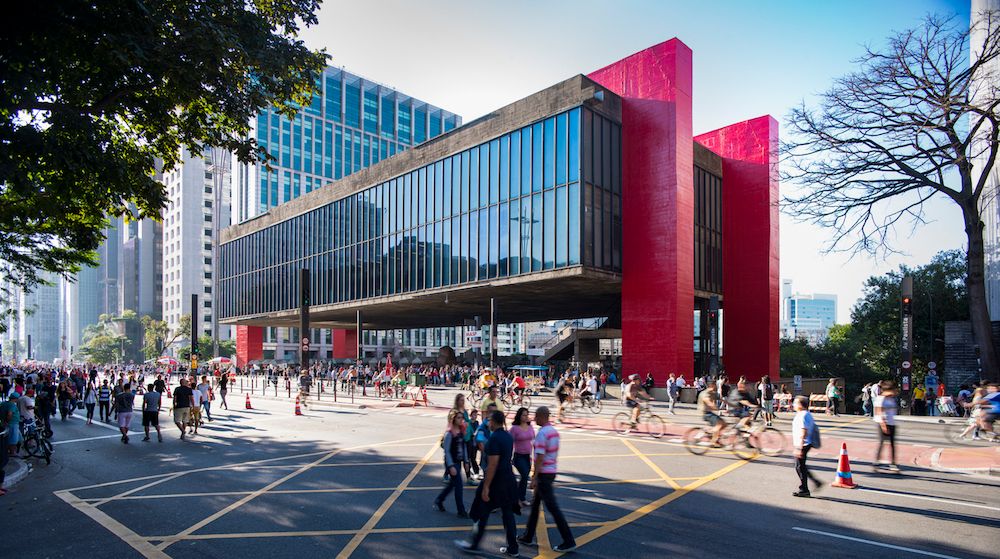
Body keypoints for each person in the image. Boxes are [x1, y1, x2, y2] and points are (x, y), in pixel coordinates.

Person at [455, 410, 520, 557]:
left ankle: (473, 544)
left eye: (489, 420)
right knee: (508, 514)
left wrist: (486, 487)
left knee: (481, 512)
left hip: (497, 483)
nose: (487, 423)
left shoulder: (494, 439)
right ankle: (513, 548)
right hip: (509, 479)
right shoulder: (508, 436)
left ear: (494, 422)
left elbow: (492, 465)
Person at [517, 406, 576, 552]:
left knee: (553, 508)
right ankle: (528, 536)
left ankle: (568, 540)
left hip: (543, 474)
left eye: (536, 416)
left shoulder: (542, 434)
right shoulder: (554, 432)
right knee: (536, 505)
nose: (534, 419)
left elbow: (540, 457)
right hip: (551, 471)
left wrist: (534, 477)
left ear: (542, 416)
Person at [434, 410, 469, 518]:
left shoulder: (461, 430)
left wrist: (466, 461)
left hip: (458, 461)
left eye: (461, 418)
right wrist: (450, 466)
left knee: (452, 484)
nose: (460, 420)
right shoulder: (449, 433)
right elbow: (447, 451)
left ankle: (439, 500)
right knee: (458, 485)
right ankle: (461, 511)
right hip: (451, 462)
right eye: (458, 418)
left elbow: (464, 447)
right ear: (453, 419)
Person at [791, 395, 823, 497]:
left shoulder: (803, 415)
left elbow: (803, 431)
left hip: (803, 444)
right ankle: (815, 482)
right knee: (801, 466)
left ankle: (804, 489)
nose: (793, 405)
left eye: (795, 403)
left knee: (799, 467)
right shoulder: (805, 414)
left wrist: (799, 448)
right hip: (804, 443)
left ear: (800, 405)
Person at [873, 380, 900, 472]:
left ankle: (893, 463)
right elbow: (879, 413)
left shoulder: (891, 399)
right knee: (882, 443)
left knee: (892, 444)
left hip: (891, 423)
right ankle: (877, 462)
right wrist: (884, 426)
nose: (895, 392)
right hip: (883, 423)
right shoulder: (880, 399)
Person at [510, 407, 535, 507]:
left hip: (527, 456)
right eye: (523, 415)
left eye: (526, 415)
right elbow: (509, 442)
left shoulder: (530, 427)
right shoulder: (514, 428)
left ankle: (521, 497)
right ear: (519, 416)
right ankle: (518, 497)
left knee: (525, 477)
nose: (525, 417)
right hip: (518, 455)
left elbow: (533, 438)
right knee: (524, 475)